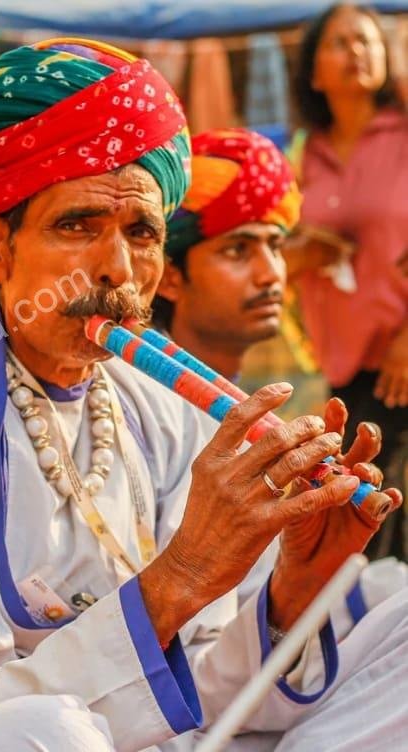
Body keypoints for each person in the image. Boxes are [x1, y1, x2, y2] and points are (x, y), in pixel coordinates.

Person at [0, 39, 404, 752]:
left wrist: (291, 593)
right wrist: (180, 576)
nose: (119, 268)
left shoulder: (162, 413)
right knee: (46, 730)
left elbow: (210, 696)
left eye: (142, 232)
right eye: (79, 226)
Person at [155, 126, 406, 628]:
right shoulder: (142, 411)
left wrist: (305, 574)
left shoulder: (245, 409)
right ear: (171, 277)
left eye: (276, 245)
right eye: (237, 250)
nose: (273, 272)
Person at [287, 3, 408, 560]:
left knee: (386, 526)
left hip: (400, 362)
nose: (356, 50)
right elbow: (276, 254)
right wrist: (303, 254)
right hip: (345, 368)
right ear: (314, 72)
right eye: (339, 42)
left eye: (366, 40)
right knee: (363, 527)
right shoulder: (302, 153)